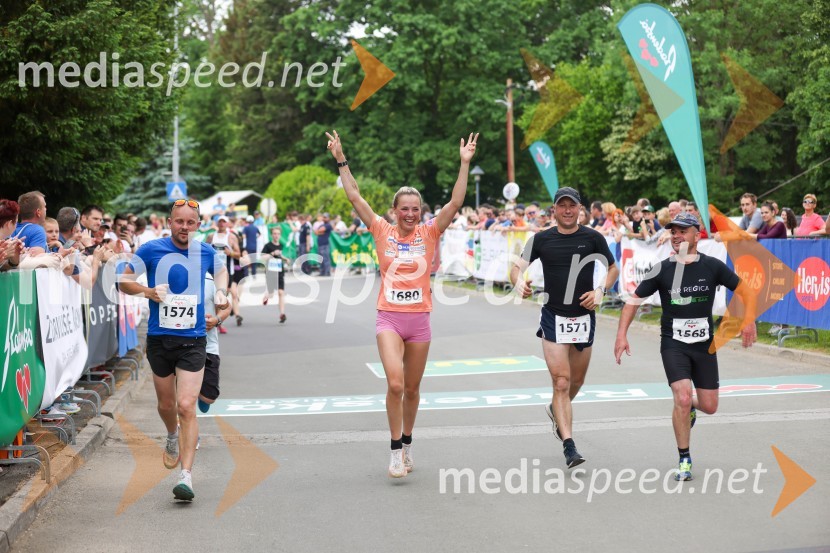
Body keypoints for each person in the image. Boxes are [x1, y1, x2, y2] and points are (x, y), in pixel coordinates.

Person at [326, 128, 478, 478]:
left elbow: (455, 203)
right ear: (394, 211)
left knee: (411, 389)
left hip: (420, 320)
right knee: (394, 384)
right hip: (390, 319)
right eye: (404, 209)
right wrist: (341, 159)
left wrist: (464, 164)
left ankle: (408, 442)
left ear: (420, 212)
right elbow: (355, 197)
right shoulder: (382, 230)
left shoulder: (430, 232)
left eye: (415, 209)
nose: (410, 214)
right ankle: (395, 450)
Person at [614, 212, 757, 481]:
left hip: (704, 345)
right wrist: (621, 335)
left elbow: (746, 291)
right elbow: (633, 301)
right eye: (673, 231)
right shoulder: (662, 268)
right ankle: (684, 459)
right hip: (673, 344)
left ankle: (690, 406)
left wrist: (748, 322)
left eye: (682, 231)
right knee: (681, 396)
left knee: (710, 406)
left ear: (697, 235)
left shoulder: (712, 266)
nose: (677, 236)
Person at [120, 199, 229, 501]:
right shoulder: (151, 250)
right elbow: (123, 281)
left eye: (190, 222)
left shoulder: (205, 252)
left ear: (198, 225)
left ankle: (186, 476)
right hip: (160, 339)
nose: (184, 227)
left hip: (193, 340)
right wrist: (148, 292)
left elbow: (221, 273)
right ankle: (172, 434)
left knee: (186, 405)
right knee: (167, 405)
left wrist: (221, 291)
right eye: (179, 221)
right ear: (169, 222)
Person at [510, 186, 619, 469]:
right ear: (554, 210)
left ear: (580, 209)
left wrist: (600, 290)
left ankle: (555, 409)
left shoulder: (593, 238)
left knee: (576, 382)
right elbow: (516, 268)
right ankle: (569, 445)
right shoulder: (541, 239)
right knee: (561, 381)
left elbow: (613, 269)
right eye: (562, 205)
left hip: (583, 317)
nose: (568, 210)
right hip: (553, 317)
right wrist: (518, 282)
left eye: (572, 205)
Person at [197, 274, 232, 416]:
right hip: (179, 345)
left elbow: (227, 307)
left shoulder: (209, 279)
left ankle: (196, 392)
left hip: (208, 345)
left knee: (208, 397)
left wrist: (216, 320)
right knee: (185, 400)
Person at [207, 216, 244, 326]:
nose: (222, 224)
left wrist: (230, 253)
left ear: (227, 224)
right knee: (214, 295)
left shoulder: (231, 237)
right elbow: (204, 252)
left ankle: (220, 318)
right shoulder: (211, 237)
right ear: (217, 223)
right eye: (220, 222)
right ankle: (217, 321)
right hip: (213, 271)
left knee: (224, 295)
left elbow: (239, 254)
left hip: (227, 271)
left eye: (224, 222)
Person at [261, 225, 288, 323]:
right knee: (271, 294)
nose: (276, 235)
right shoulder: (268, 246)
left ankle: (282, 314)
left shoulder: (281, 245)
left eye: (278, 234)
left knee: (281, 293)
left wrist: (285, 259)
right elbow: (262, 257)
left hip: (279, 272)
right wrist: (272, 254)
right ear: (272, 235)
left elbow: (280, 255)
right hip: (270, 273)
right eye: (275, 234)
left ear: (280, 235)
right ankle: (266, 297)